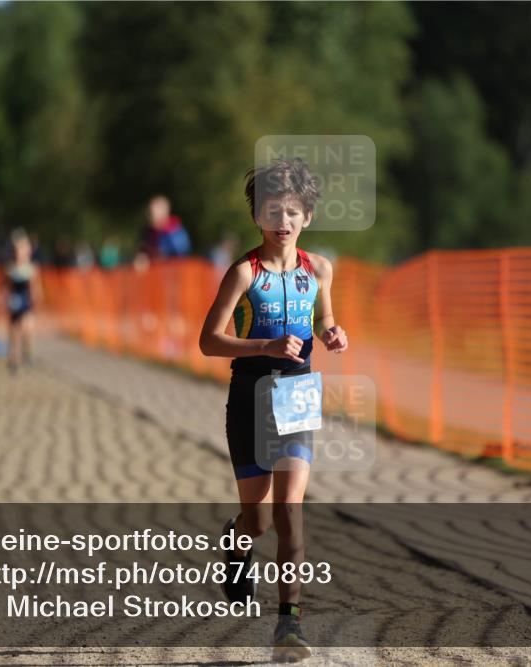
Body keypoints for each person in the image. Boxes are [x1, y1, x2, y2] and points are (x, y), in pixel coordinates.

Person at [198, 159, 348, 662]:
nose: (282, 221)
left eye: (292, 212)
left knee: (289, 511)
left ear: (307, 216)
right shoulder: (243, 273)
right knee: (259, 520)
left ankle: (290, 622)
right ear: (257, 216)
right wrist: (264, 345)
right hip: (250, 396)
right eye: (272, 211)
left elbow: (323, 318)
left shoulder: (319, 269)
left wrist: (331, 333)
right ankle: (236, 539)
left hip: (298, 393)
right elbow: (208, 341)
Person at [4, 229, 41, 374]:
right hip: (14, 303)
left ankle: (27, 353)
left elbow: (36, 288)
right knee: (14, 331)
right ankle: (13, 359)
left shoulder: (32, 268)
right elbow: (6, 286)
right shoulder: (10, 268)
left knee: (28, 328)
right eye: (17, 250)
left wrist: (36, 298)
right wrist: (5, 299)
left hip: (27, 303)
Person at [139, 195, 191, 263]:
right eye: (149, 212)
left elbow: (181, 257)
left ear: (164, 211)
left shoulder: (175, 232)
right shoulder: (149, 232)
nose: (149, 216)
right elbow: (143, 251)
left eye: (152, 212)